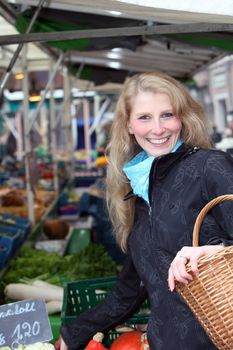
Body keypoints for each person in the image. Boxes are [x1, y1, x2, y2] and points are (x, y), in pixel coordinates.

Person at [56, 72, 233, 350]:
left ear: (182, 118)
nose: (158, 129)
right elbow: (130, 291)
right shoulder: (140, 192)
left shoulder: (210, 167)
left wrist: (214, 251)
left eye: (167, 115)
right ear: (128, 125)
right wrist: (73, 335)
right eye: (145, 117)